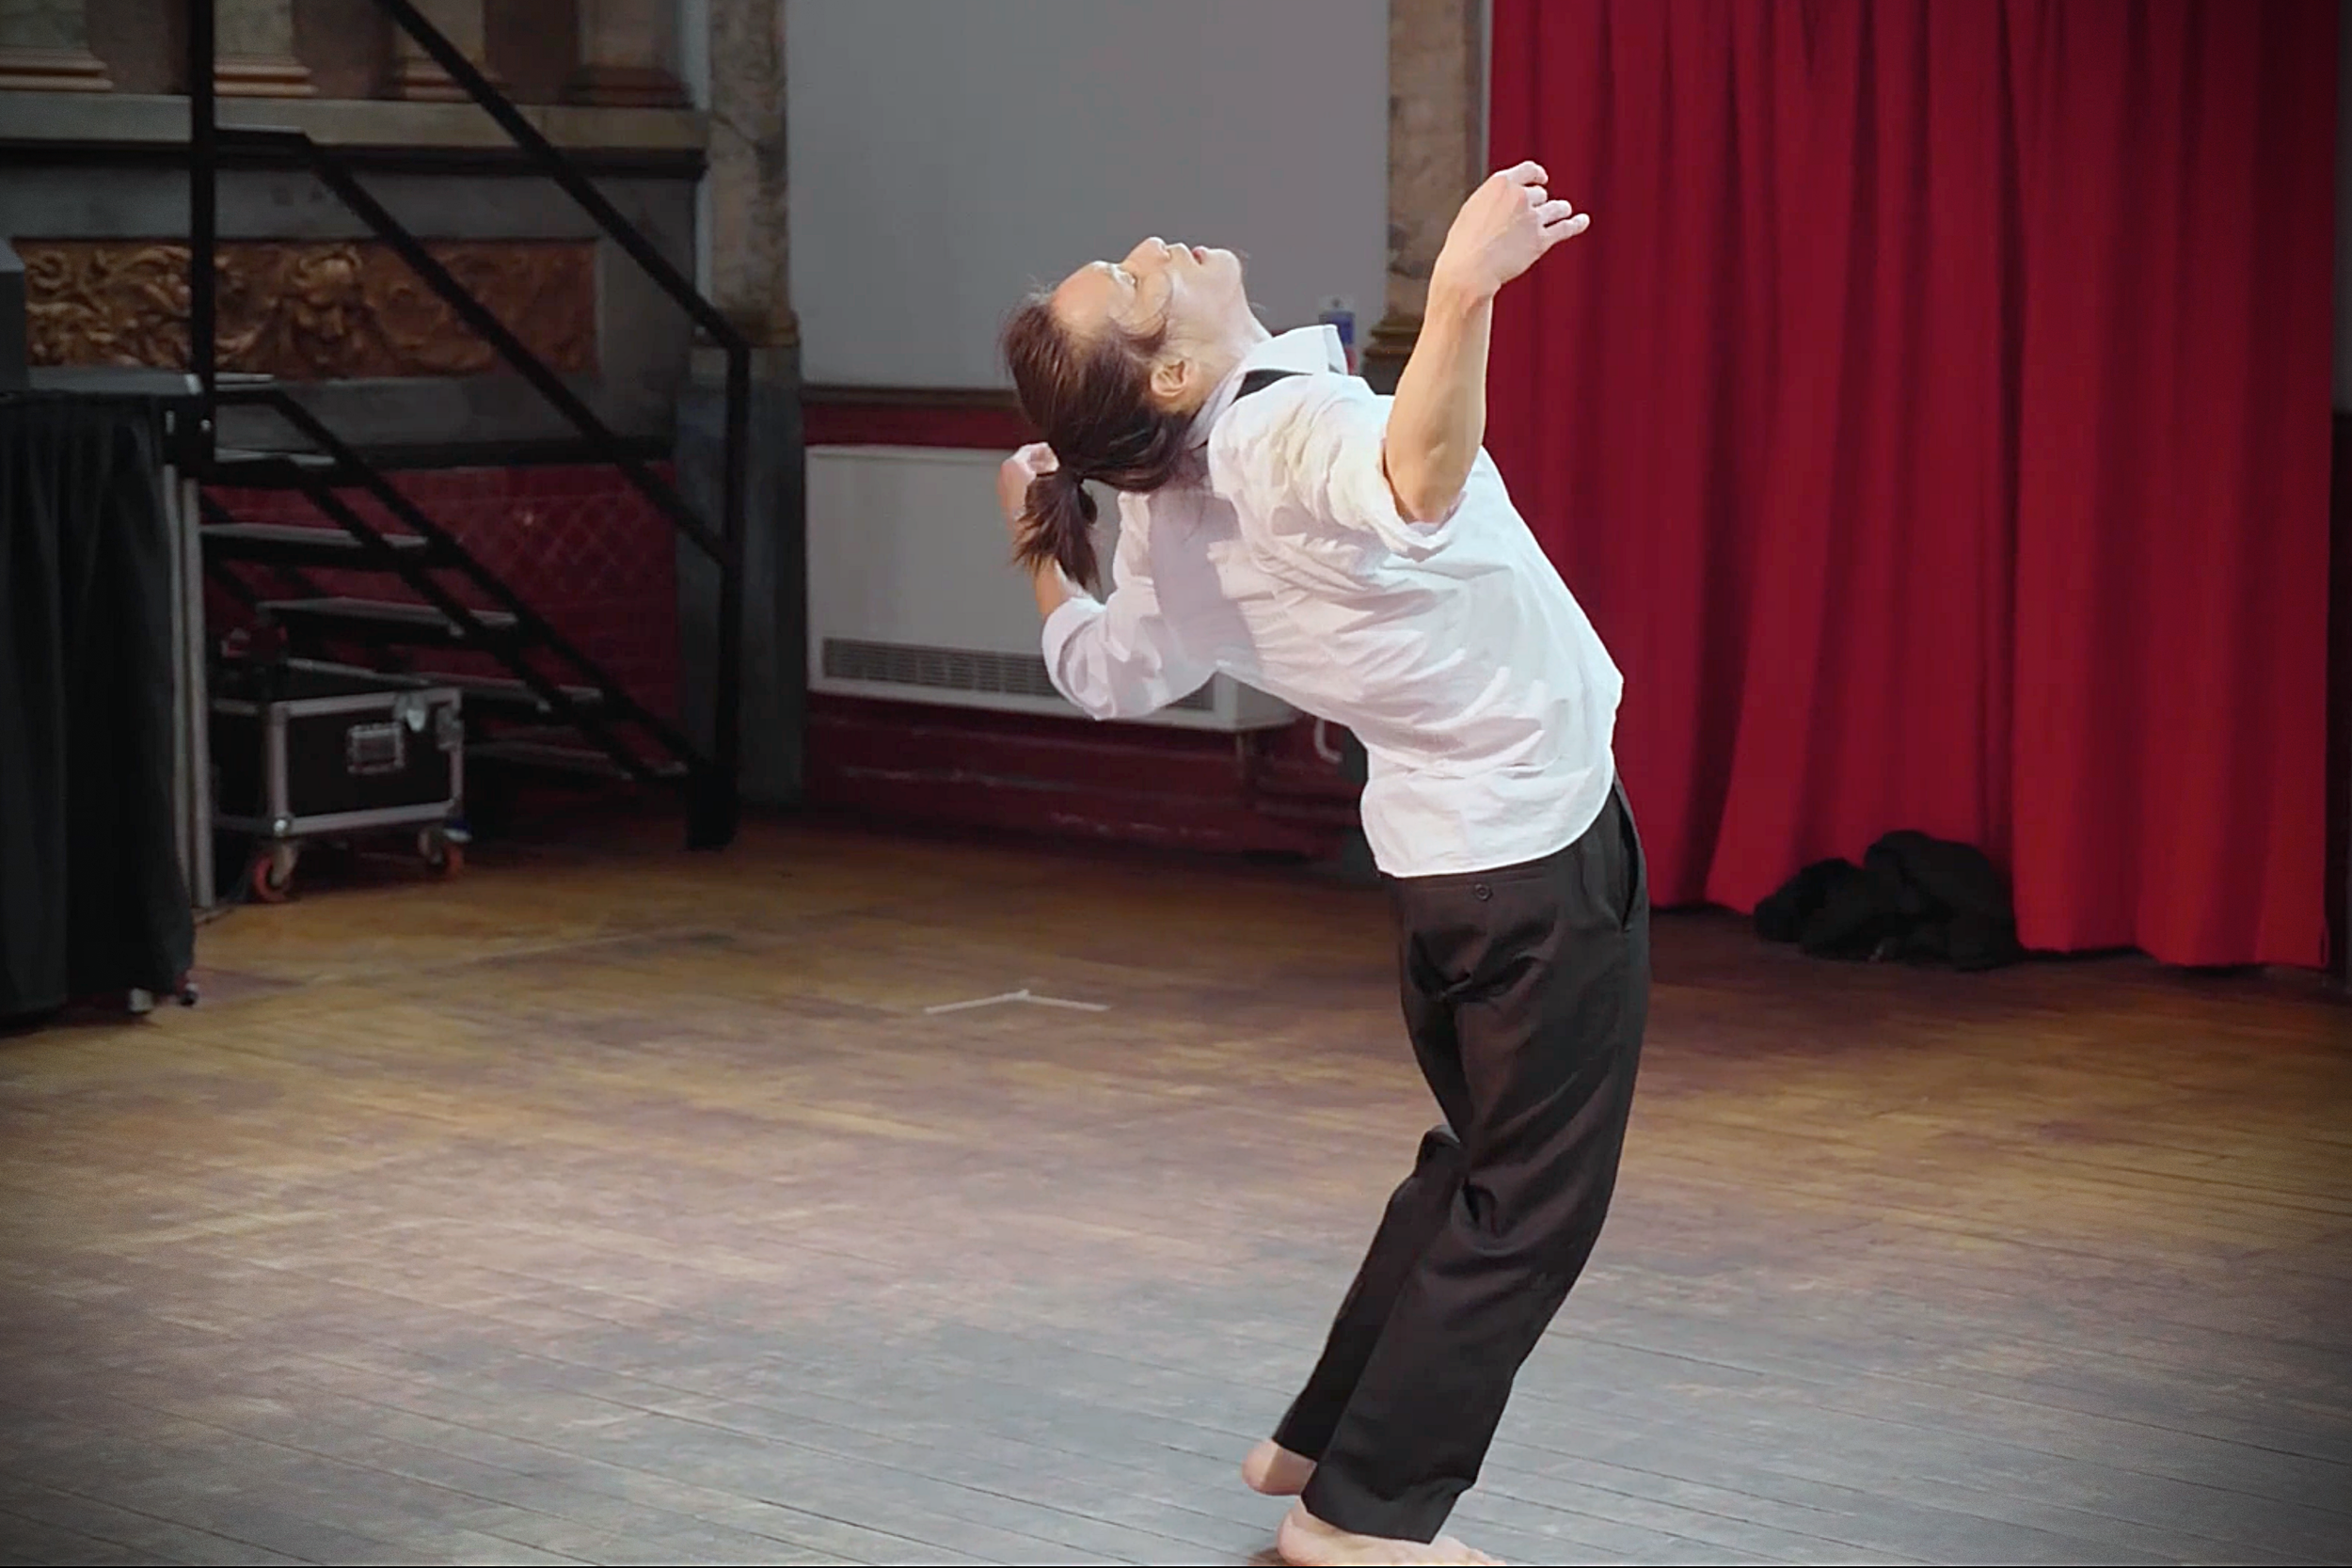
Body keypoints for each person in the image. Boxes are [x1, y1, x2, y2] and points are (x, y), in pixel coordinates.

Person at [994, 164, 1647, 1568]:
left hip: (1452, 881)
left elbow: (1106, 673)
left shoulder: (1177, 508)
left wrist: (1037, 552)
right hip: (1532, 866)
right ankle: (1356, 1515)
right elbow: (1415, 481)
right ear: (1171, 372)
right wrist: (1462, 288)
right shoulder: (1285, 435)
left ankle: (1323, 1433)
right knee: (1529, 1206)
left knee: (1478, 1166)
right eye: (1140, 277)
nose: (1156, 239)